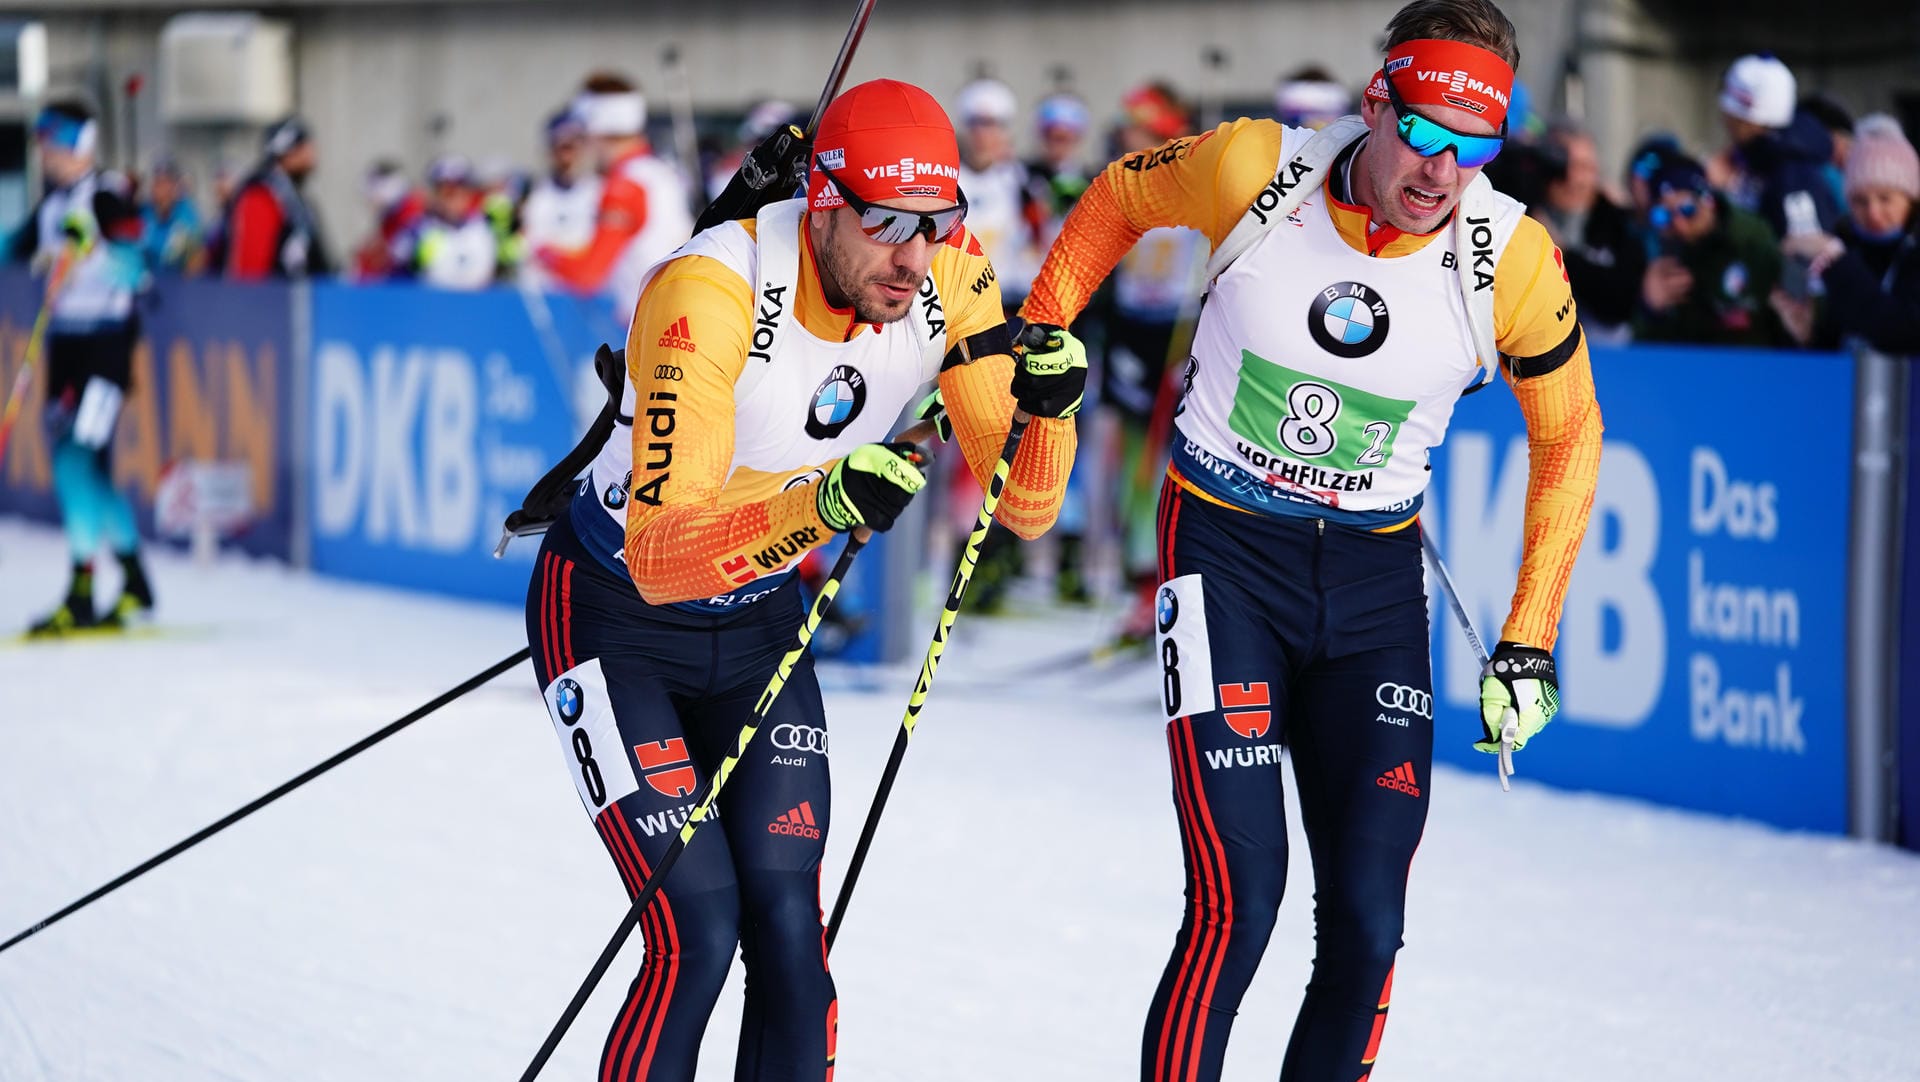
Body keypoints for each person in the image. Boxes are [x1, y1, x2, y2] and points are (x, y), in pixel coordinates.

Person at [1018, 2, 1601, 1078]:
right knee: (1239, 903)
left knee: (1370, 927)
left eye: (1474, 148)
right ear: (1376, 102)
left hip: (1375, 587)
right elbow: (1116, 197)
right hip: (1226, 553)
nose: (1442, 172)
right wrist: (1045, 331)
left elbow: (1569, 437)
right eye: (1426, 133)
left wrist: (1528, 635)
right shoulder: (1256, 166)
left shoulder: (1508, 257)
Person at [522, 78, 1080, 1081]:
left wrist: (1049, 414)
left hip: (758, 622)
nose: (915, 255)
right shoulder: (713, 288)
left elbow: (1026, 506)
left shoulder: (949, 272)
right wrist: (814, 508)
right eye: (887, 224)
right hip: (615, 614)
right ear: (821, 203)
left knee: (792, 943)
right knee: (695, 933)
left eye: (938, 221)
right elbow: (660, 557)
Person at [6, 102, 156, 635]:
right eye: (43, 147)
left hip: (105, 349)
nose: (47, 156)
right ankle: (135, 581)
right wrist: (51, 256)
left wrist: (92, 251)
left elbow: (142, 266)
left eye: (55, 145)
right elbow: (15, 246)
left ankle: (83, 590)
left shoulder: (106, 196)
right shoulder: (53, 205)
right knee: (86, 468)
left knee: (77, 460)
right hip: (65, 347)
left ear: (81, 144)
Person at [535, 72, 694, 325]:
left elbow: (588, 275)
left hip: (655, 327)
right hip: (675, 317)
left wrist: (540, 251)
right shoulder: (662, 173)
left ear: (595, 130)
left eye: (583, 135)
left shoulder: (625, 184)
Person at [1772, 115, 1920, 353]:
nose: (1873, 212)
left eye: (1886, 199)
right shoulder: (1839, 253)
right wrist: (1805, 335)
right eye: (1860, 200)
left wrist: (1837, 260)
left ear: (1910, 200)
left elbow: (1904, 334)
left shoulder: (1841, 259)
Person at [1635, 154, 1787, 346]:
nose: (1679, 225)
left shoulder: (1752, 240)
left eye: (1687, 210)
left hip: (1755, 365)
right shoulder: (1660, 255)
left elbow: (1792, 322)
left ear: (1708, 201)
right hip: (1690, 368)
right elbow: (1646, 350)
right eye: (1662, 216)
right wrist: (1650, 309)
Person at [1532, 116, 1641, 340]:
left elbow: (1619, 301)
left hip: (1609, 360)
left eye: (1585, 167)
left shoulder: (1617, 223)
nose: (1575, 179)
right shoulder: (1522, 217)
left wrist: (1560, 253)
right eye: (1564, 166)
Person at [1716, 53, 1844, 239]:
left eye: (1732, 115)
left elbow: (1806, 258)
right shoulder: (1762, 162)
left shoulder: (1793, 173)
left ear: (1750, 120)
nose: (1725, 120)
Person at [223, 116, 333, 279]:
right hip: (273, 301)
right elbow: (249, 271)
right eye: (304, 147)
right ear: (287, 153)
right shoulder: (261, 195)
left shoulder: (294, 198)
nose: (312, 153)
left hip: (299, 299)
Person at [390, 154, 504, 289]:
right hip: (431, 306)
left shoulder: (489, 229)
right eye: (444, 191)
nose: (452, 198)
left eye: (459, 189)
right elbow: (395, 279)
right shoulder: (416, 231)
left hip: (477, 306)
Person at [520, 107, 602, 288]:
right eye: (561, 148)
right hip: (548, 290)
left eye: (572, 147)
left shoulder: (600, 192)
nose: (567, 156)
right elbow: (531, 247)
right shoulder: (535, 195)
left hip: (589, 292)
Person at [138, 156, 205, 275]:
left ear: (175, 187)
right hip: (147, 283)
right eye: (158, 183)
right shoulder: (143, 213)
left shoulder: (187, 215)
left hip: (177, 286)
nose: (163, 190)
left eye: (167, 183)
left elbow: (197, 257)